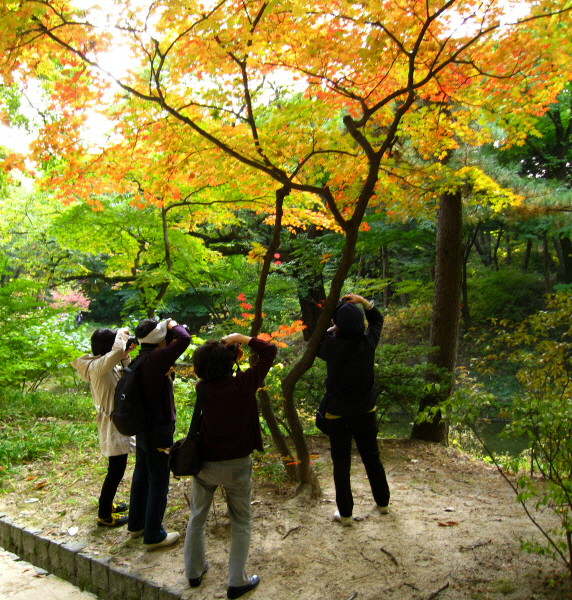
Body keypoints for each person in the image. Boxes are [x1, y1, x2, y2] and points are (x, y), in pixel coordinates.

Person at [184, 333, 277, 599]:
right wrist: (242, 338)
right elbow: (269, 352)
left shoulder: (202, 388)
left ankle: (193, 572)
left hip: (205, 464)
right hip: (237, 463)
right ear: (232, 361)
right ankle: (237, 581)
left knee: (197, 516)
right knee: (241, 522)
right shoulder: (245, 383)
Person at [316, 293, 390, 526]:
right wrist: (364, 302)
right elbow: (377, 321)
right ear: (361, 325)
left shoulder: (329, 347)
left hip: (337, 413)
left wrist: (332, 326)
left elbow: (317, 340)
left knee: (341, 463)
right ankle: (383, 502)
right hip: (365, 411)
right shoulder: (368, 344)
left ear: (337, 324)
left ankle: (345, 514)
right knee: (372, 457)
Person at [127, 318, 191, 549]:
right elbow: (185, 339)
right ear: (160, 339)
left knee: (141, 473)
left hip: (142, 427)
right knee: (158, 480)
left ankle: (137, 525)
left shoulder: (140, 359)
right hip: (159, 428)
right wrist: (173, 323)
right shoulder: (156, 359)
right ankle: (153, 535)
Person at [71, 327, 136, 527]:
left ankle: (107, 506)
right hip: (112, 424)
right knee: (116, 471)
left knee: (116, 469)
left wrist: (125, 355)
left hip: (117, 420)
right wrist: (122, 334)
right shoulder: (97, 366)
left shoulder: (105, 364)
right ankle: (104, 515)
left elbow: (124, 369)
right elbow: (115, 353)